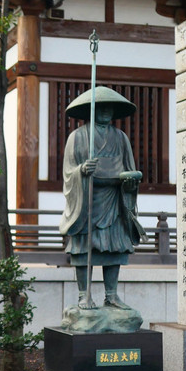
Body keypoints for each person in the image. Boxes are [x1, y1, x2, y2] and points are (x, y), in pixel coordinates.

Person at [59, 87, 144, 309]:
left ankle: (112, 295)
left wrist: (130, 181)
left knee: (114, 248)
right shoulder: (77, 137)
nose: (106, 112)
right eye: (102, 107)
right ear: (91, 110)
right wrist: (81, 171)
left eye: (110, 108)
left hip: (114, 198)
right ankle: (83, 295)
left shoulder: (120, 137)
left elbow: (128, 166)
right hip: (88, 199)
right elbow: (68, 171)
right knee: (83, 248)